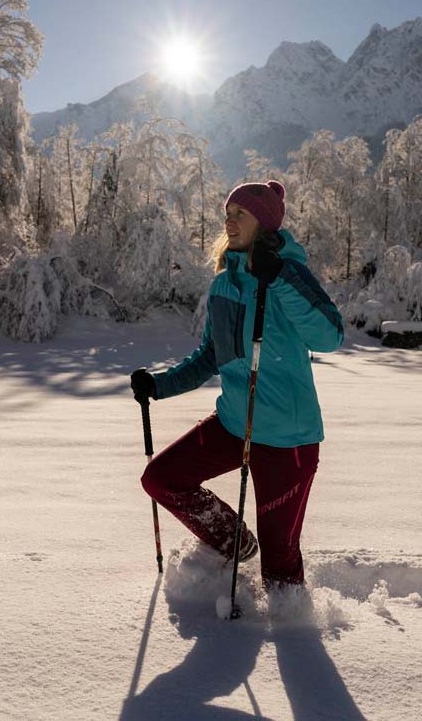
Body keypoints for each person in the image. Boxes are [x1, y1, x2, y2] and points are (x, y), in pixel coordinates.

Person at [131, 180, 344, 589]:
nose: (228, 221)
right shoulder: (223, 284)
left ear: (263, 224)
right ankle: (235, 542)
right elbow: (212, 355)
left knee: (279, 562)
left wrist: (279, 276)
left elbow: (329, 337)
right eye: (227, 214)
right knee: (160, 479)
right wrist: (158, 386)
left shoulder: (290, 274)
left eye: (239, 214)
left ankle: (290, 626)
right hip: (233, 423)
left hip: (288, 439)